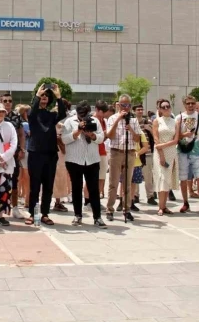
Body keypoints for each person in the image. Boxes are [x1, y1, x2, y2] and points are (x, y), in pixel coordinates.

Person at [26, 84, 66, 226]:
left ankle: (44, 214)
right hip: (35, 154)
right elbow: (32, 112)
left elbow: (63, 114)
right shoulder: (32, 114)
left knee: (48, 186)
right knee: (35, 186)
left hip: (50, 154)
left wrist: (58, 97)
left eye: (46, 96)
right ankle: (33, 214)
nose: (44, 98)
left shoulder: (51, 115)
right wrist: (37, 95)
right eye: (42, 96)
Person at [61, 100, 106, 227]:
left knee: (94, 189)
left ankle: (97, 217)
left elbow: (101, 138)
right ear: (77, 112)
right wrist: (78, 131)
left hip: (92, 159)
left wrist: (92, 135)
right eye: (81, 114)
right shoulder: (70, 121)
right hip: (74, 160)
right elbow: (64, 139)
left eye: (85, 114)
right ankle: (77, 215)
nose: (83, 117)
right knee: (76, 188)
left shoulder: (95, 121)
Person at [105, 94, 142, 222]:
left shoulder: (134, 120)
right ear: (118, 105)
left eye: (128, 105)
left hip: (129, 153)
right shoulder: (112, 118)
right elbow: (109, 135)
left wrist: (130, 129)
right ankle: (110, 209)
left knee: (127, 184)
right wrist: (118, 119)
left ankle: (127, 209)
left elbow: (137, 139)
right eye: (123, 105)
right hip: (116, 152)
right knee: (113, 183)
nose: (125, 107)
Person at [176, 95, 199, 215]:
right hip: (183, 150)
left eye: (192, 103)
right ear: (184, 105)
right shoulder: (179, 117)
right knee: (183, 178)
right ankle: (185, 202)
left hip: (196, 151)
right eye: (188, 103)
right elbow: (176, 136)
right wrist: (184, 135)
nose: (190, 105)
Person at [0, 92, 26, 220]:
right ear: (1, 102)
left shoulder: (16, 116)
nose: (8, 103)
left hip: (14, 154)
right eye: (5, 101)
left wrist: (22, 149)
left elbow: (21, 134)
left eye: (10, 100)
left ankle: (15, 208)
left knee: (14, 181)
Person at [152, 99, 180, 216]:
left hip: (171, 152)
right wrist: (161, 153)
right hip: (160, 153)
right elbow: (156, 138)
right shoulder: (157, 121)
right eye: (163, 107)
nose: (166, 108)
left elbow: (176, 140)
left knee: (167, 180)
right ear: (159, 109)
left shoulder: (175, 122)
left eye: (167, 106)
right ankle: (160, 206)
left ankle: (164, 206)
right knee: (161, 178)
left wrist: (163, 145)